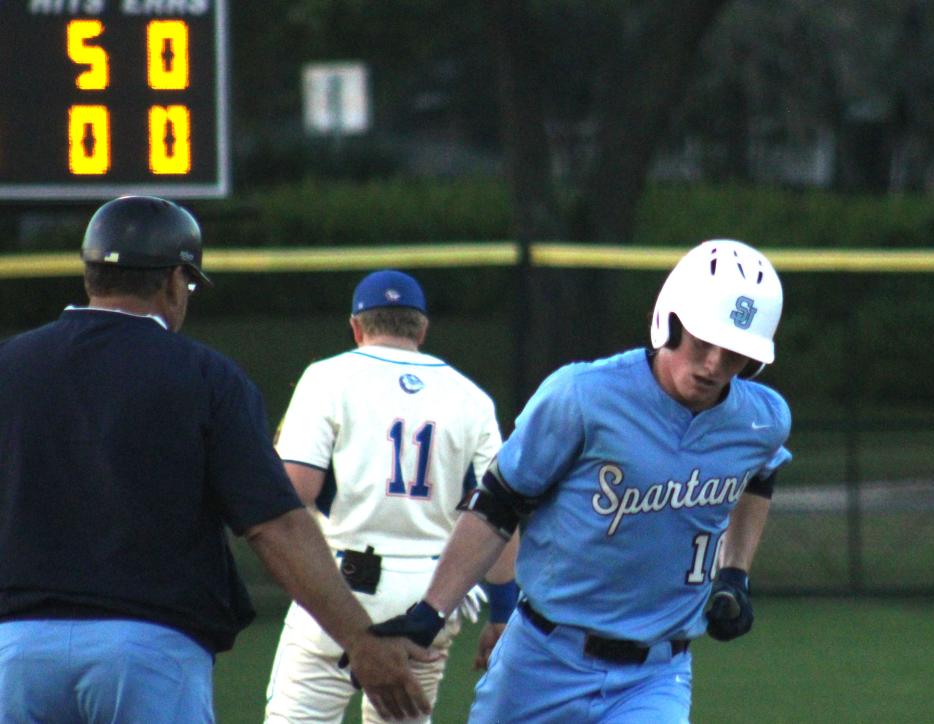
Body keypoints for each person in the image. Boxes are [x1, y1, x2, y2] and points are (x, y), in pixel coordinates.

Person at [0, 196, 432, 723]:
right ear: (175, 280)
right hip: (147, 648)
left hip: (15, 652)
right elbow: (274, 526)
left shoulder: (11, 365)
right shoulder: (205, 376)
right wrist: (360, 640)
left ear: (91, 274)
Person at [368, 239, 793, 723]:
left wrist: (735, 572)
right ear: (670, 321)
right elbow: (497, 507)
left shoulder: (761, 418)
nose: (716, 365)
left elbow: (762, 471)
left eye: (735, 353)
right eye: (702, 343)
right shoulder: (582, 396)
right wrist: (431, 612)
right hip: (541, 660)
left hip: (657, 674)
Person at [264, 269, 519, 724]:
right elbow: (500, 515)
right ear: (421, 329)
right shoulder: (471, 398)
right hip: (431, 598)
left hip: (341, 584)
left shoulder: (328, 377)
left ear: (357, 326)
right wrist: (502, 613)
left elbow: (294, 492)